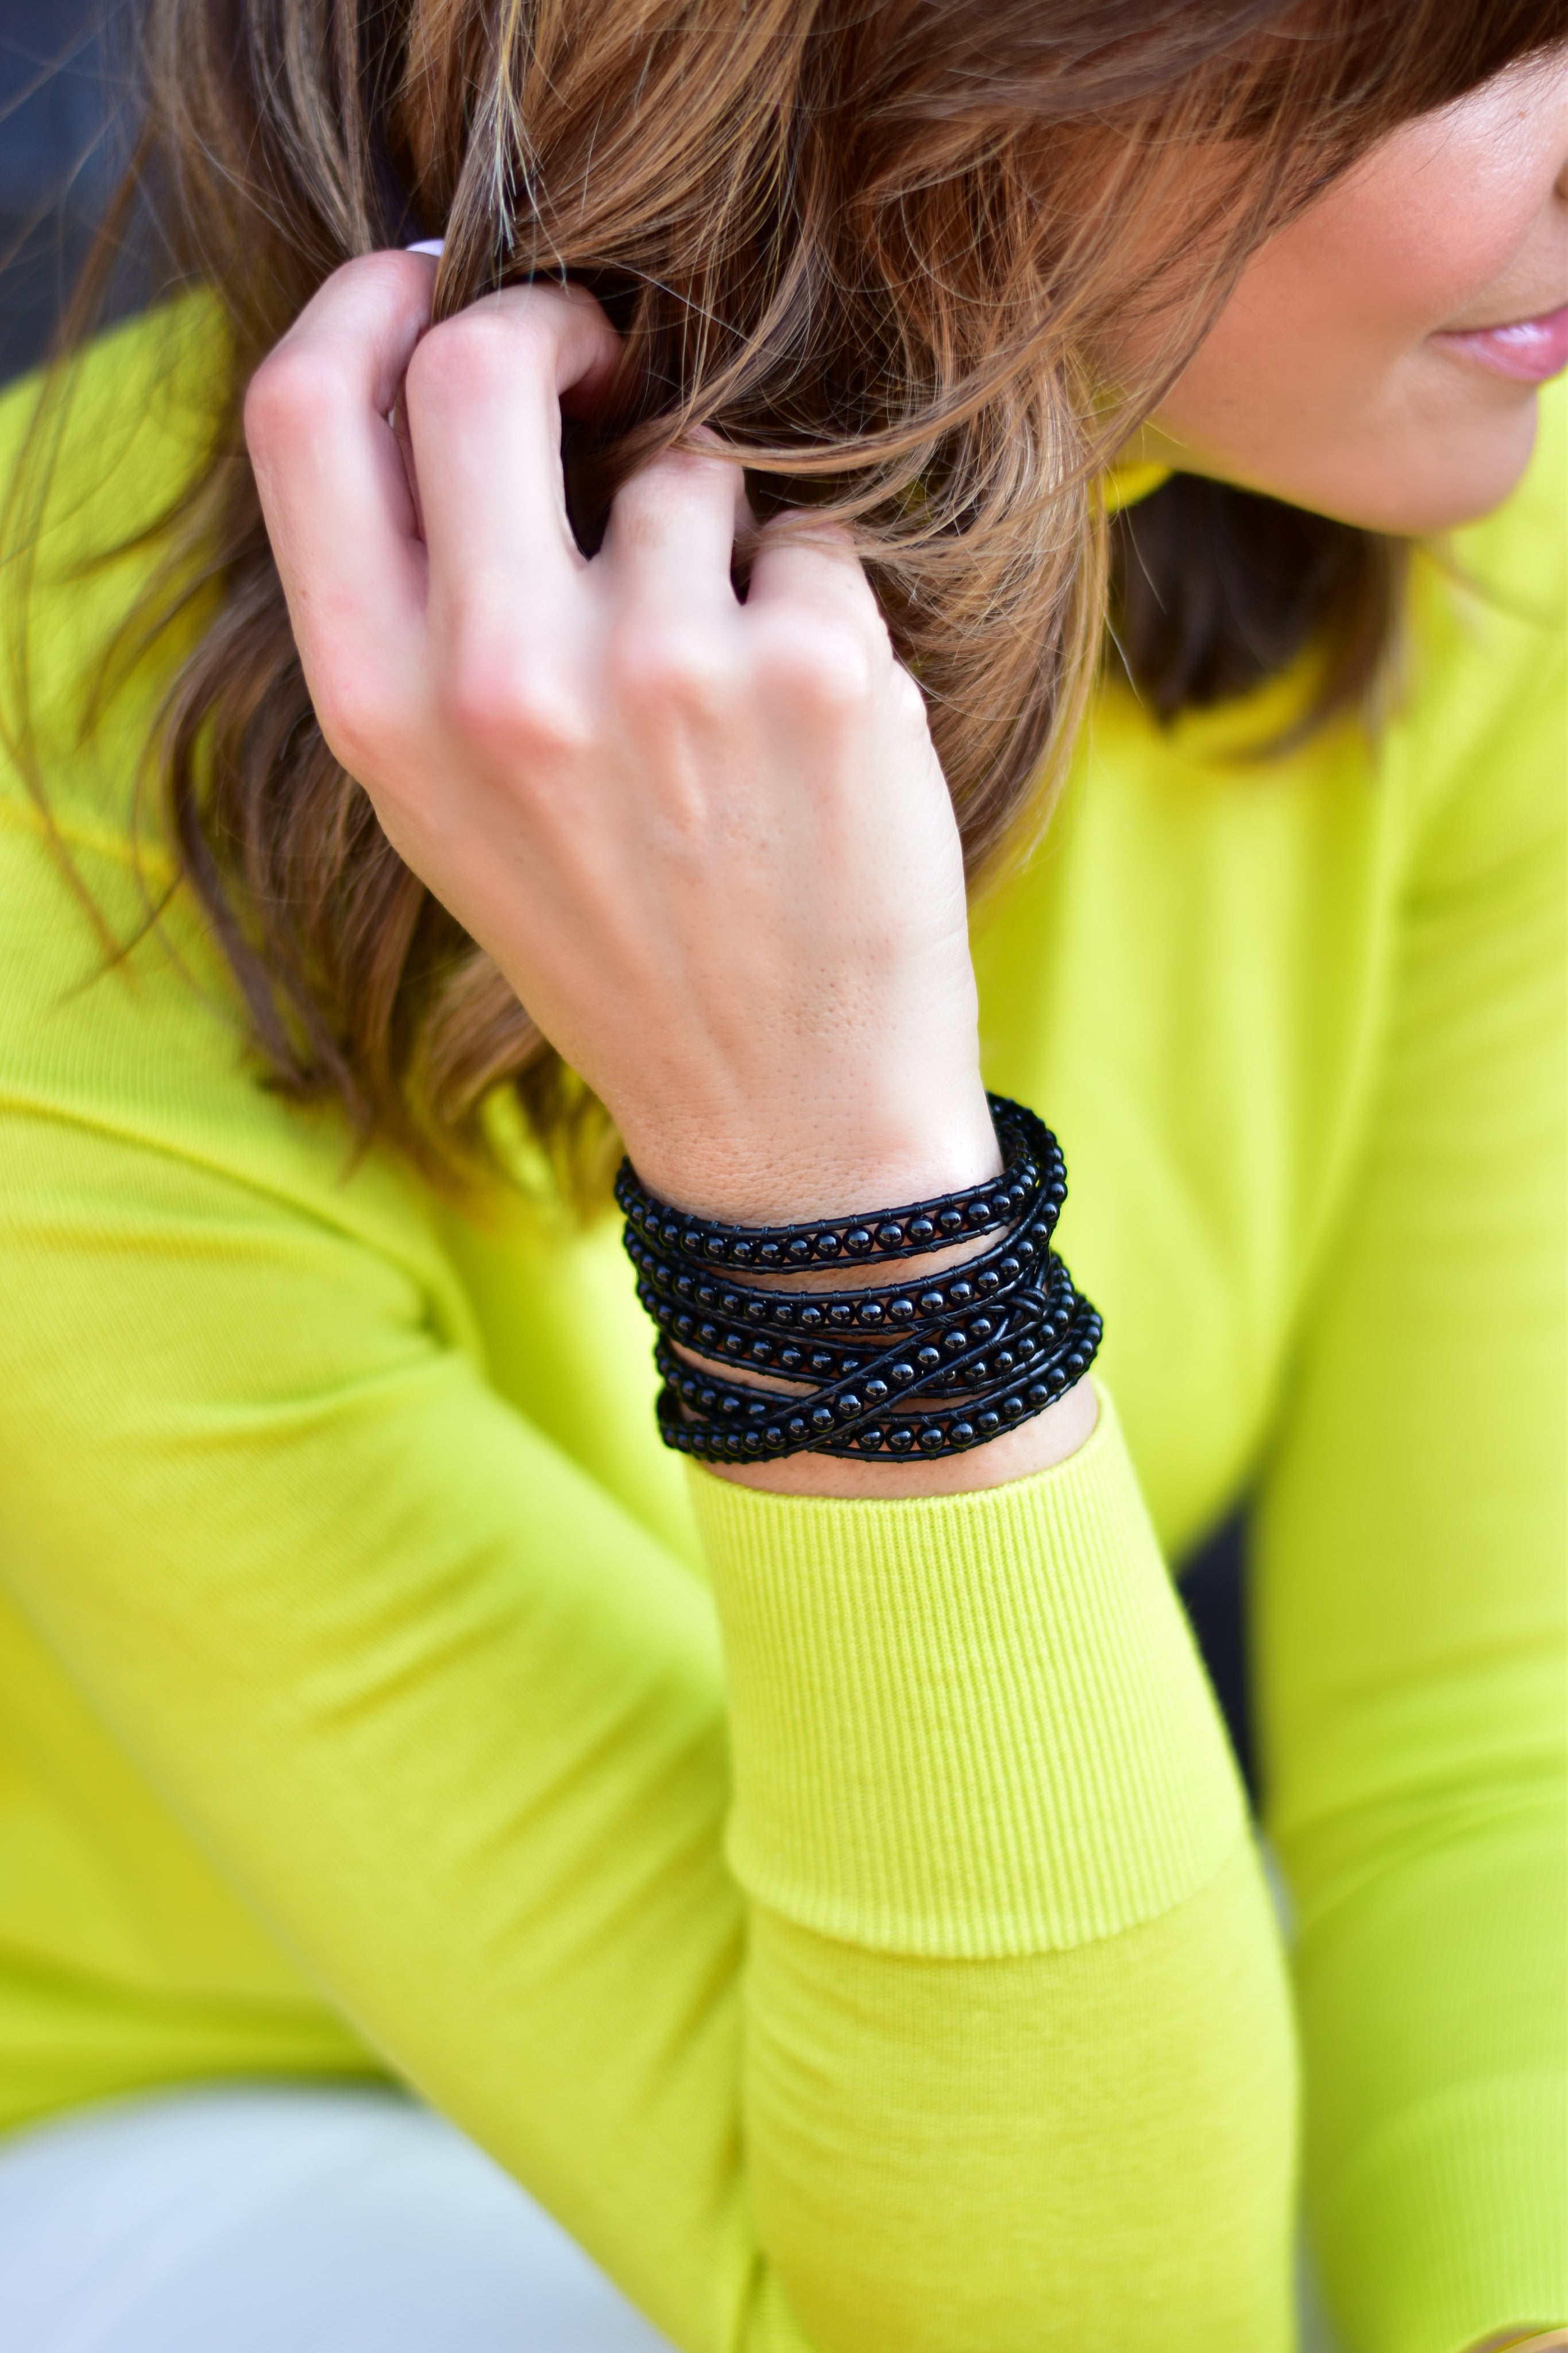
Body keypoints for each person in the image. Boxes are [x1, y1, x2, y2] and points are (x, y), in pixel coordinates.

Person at [0, 1, 1563, 2347]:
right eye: (1490, 37)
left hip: (1018, 1979)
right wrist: (829, 1209)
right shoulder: (58, 832)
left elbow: (1484, 1774)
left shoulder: (1453, 490)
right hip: (198, 2125)